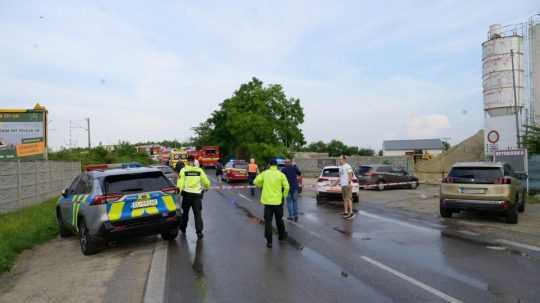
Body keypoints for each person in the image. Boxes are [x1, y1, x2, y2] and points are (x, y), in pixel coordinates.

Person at [254, 158, 290, 248]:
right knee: (279, 220)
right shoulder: (281, 174)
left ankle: (269, 242)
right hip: (278, 202)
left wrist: (261, 185)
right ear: (276, 165)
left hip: (267, 202)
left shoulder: (265, 173)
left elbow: (255, 181)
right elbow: (287, 187)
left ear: (270, 165)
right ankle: (281, 237)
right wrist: (283, 195)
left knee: (268, 222)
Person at [177, 155, 211, 239]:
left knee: (185, 213)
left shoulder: (183, 170)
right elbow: (205, 181)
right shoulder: (199, 170)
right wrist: (207, 187)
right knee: (197, 214)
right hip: (196, 196)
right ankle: (199, 232)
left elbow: (180, 182)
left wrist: (178, 191)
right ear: (194, 161)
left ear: (187, 161)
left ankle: (183, 228)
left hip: (187, 195)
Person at [338, 155, 355, 220]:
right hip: (343, 185)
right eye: (339, 159)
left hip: (347, 185)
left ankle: (351, 213)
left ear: (344, 160)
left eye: (340, 159)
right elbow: (340, 177)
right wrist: (334, 184)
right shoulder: (340, 167)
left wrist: (349, 183)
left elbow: (350, 174)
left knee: (348, 199)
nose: (339, 160)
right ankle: (345, 212)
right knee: (345, 199)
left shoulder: (348, 166)